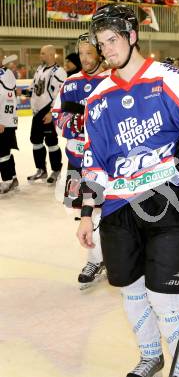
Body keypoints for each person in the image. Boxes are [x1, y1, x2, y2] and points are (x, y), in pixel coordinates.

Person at [76, 4, 179, 377]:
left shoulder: (171, 81)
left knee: (167, 300)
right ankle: (151, 355)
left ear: (132, 36)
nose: (106, 50)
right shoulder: (98, 98)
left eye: (112, 40)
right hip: (117, 210)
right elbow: (93, 163)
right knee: (130, 294)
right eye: (101, 43)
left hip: (166, 202)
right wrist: (86, 214)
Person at [52, 33, 110, 289]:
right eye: (82, 53)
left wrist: (83, 118)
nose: (85, 59)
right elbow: (59, 115)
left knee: (103, 209)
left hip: (104, 160)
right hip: (77, 158)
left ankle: (98, 258)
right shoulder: (71, 82)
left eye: (90, 53)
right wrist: (74, 121)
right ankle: (98, 256)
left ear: (99, 52)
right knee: (84, 210)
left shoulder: (111, 79)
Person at [27, 45, 66, 183]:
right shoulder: (39, 68)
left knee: (51, 142)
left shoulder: (59, 72)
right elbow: (34, 87)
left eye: (43, 53)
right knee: (36, 141)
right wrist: (26, 92)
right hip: (37, 112)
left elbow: (60, 94)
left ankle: (56, 170)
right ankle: (41, 170)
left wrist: (51, 112)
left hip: (47, 110)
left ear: (51, 54)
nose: (40, 55)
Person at [0, 50, 19, 194]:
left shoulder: (5, 74)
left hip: (4, 121)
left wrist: (2, 121)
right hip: (4, 121)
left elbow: (8, 99)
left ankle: (7, 181)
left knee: (2, 151)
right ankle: (12, 178)